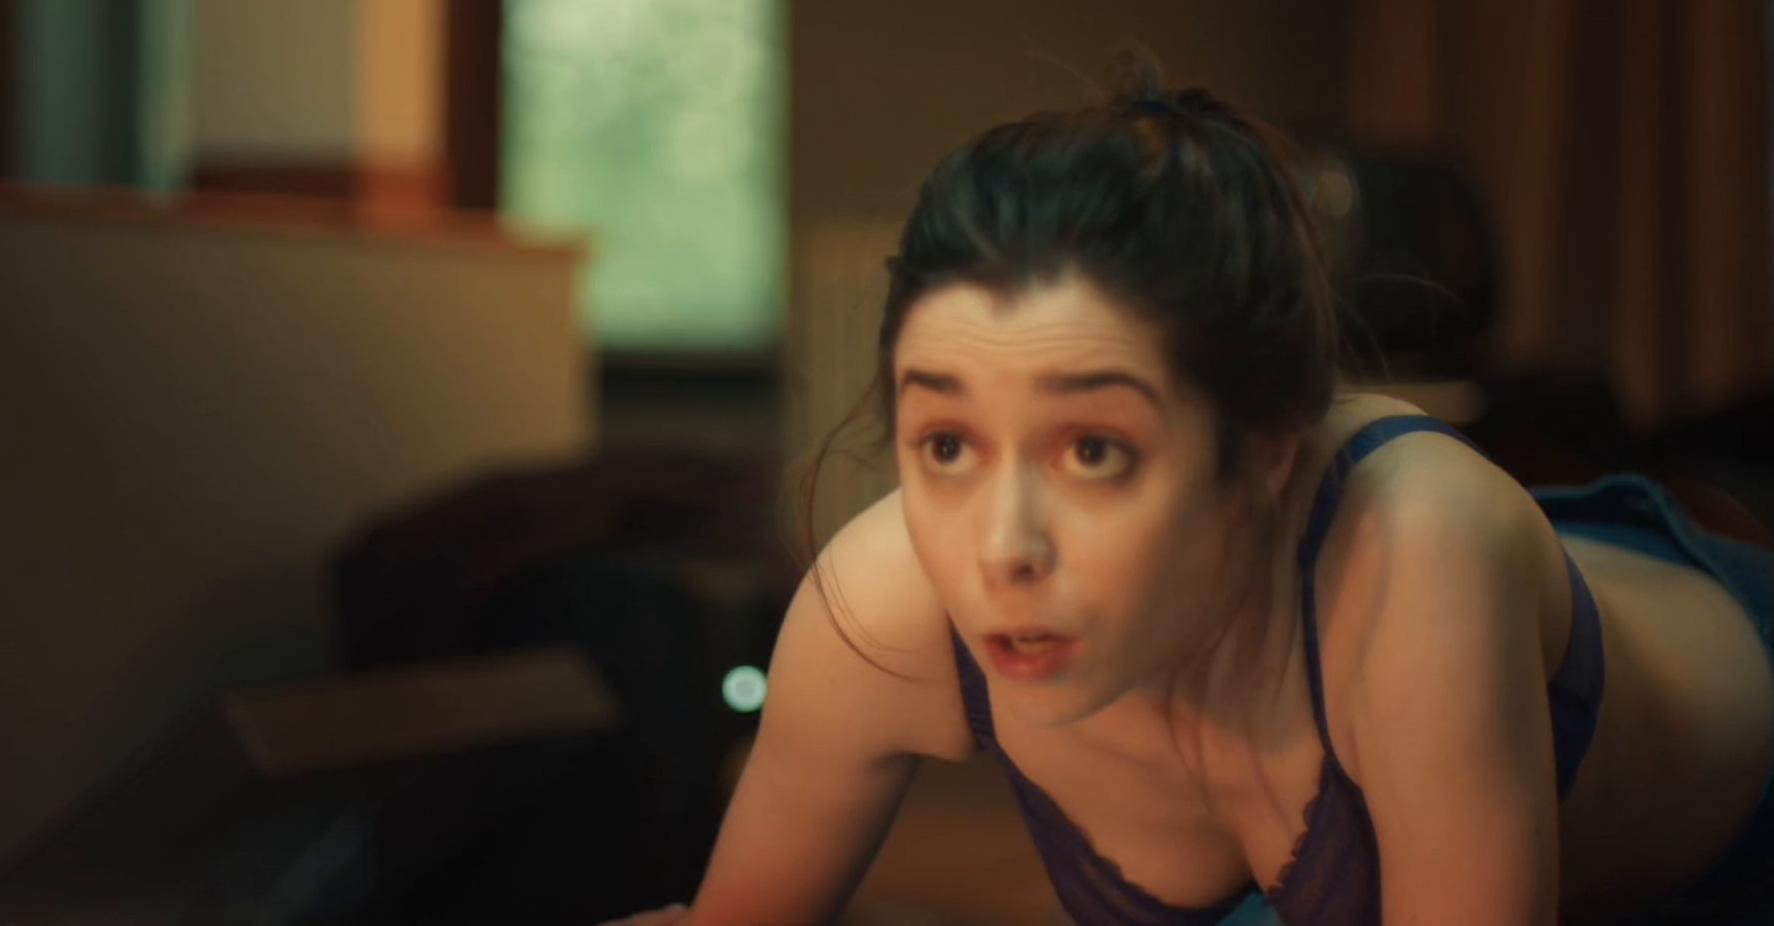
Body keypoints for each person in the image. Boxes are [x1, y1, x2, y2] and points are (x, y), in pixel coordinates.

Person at [605, 80, 1774, 925]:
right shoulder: (880, 602)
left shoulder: (1414, 545)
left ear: (1263, 447)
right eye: (947, 443)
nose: (1000, 548)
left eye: (1095, 450)